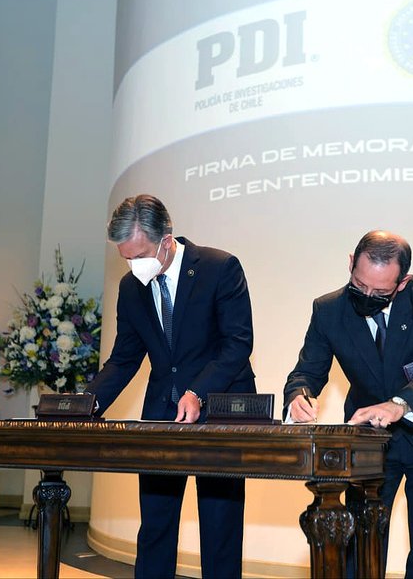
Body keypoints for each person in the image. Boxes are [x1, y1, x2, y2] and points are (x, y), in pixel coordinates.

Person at [283, 230, 413, 579]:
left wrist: (400, 404)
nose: (367, 296)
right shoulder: (328, 310)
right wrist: (299, 395)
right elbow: (307, 371)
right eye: (359, 285)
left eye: (381, 292)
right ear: (351, 263)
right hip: (370, 445)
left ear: (403, 282)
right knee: (362, 550)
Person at [84, 194, 255, 579]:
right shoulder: (132, 288)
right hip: (162, 413)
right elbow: (125, 358)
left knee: (220, 526)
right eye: (125, 258)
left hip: (220, 411)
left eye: (138, 254)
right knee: (156, 524)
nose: (133, 265)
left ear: (166, 240)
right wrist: (85, 404)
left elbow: (237, 344)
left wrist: (198, 391)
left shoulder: (219, 267)